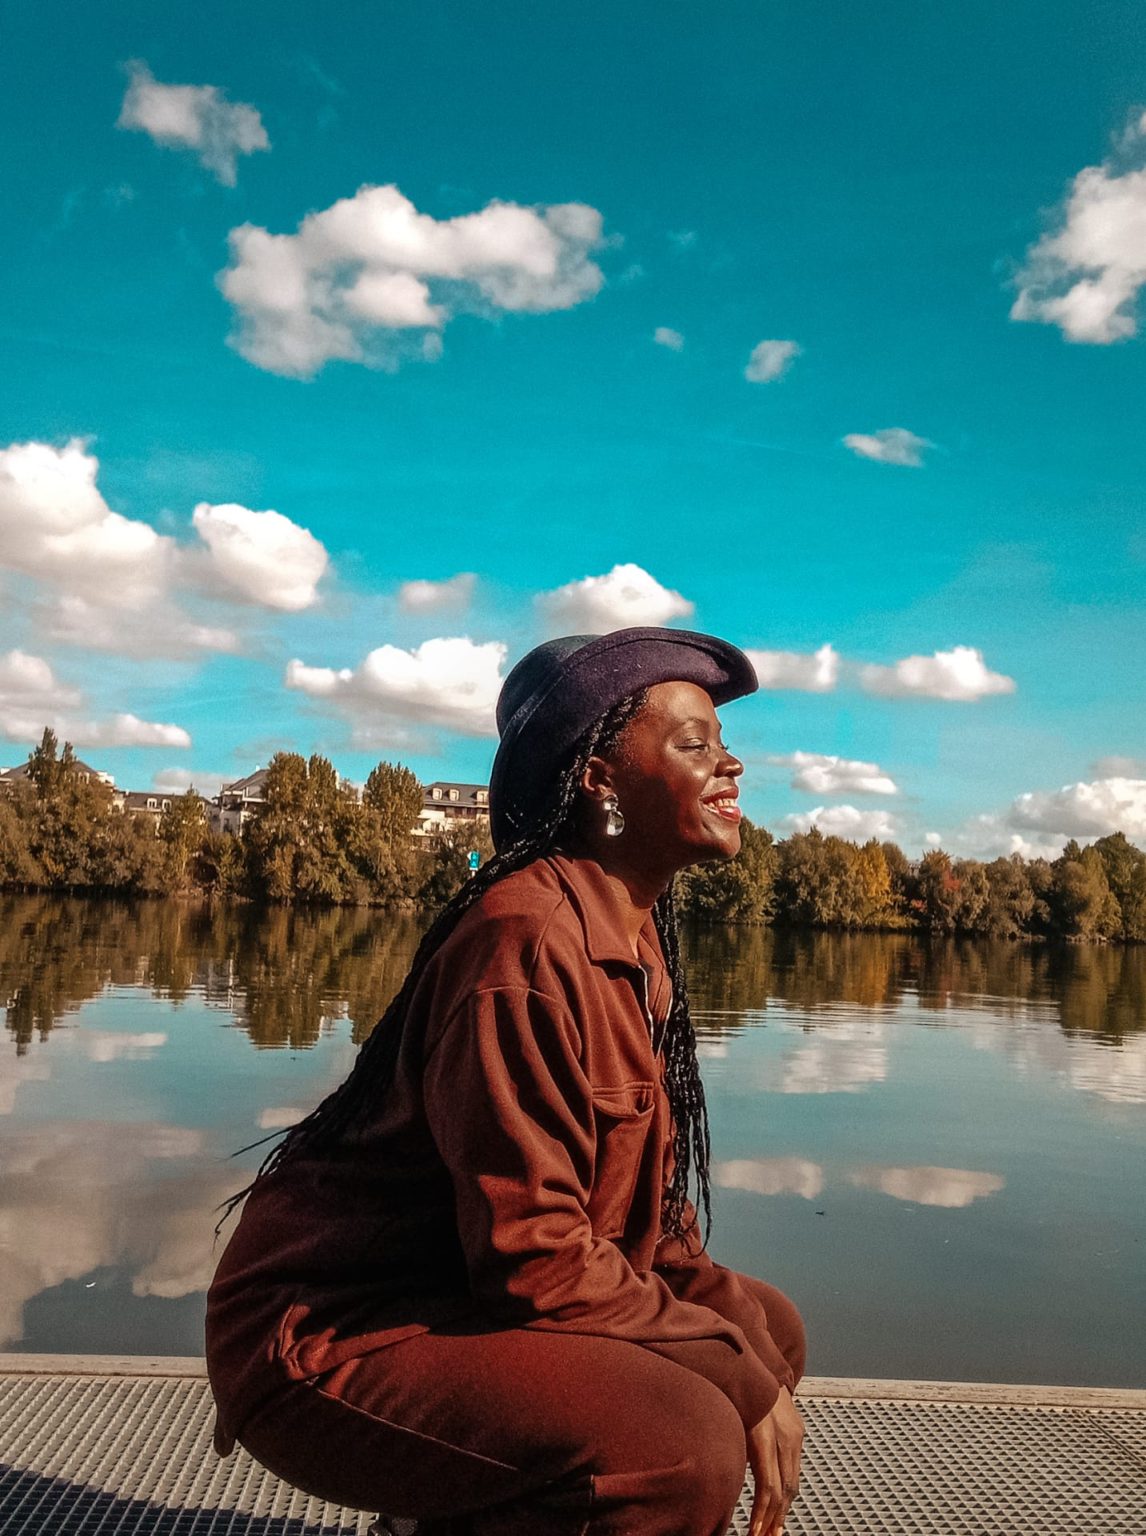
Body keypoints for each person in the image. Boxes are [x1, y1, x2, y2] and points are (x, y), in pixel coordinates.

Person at [206, 626, 806, 1536]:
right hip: (334, 1332)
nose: (732, 765)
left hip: (463, 1295)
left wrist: (747, 1354)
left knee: (769, 1328)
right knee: (679, 1445)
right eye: (695, 743)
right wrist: (736, 1381)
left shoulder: (633, 939)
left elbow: (645, 1212)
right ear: (600, 779)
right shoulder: (522, 943)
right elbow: (536, 1260)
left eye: (722, 745)